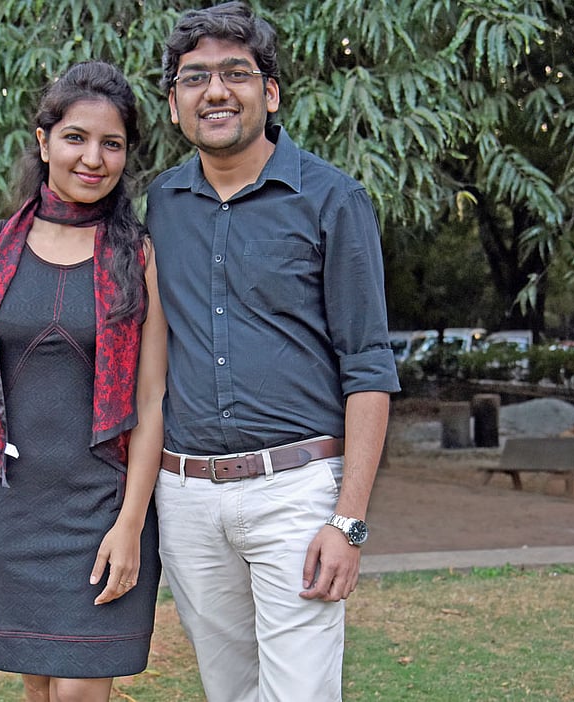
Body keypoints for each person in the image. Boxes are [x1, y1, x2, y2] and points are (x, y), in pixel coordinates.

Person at [145, 4, 400, 701]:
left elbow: (369, 367)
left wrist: (346, 521)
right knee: (229, 692)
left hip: (297, 491)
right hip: (188, 495)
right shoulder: (158, 205)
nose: (216, 91)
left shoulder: (333, 199)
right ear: (174, 104)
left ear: (272, 92)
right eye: (195, 78)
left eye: (236, 73)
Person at [0, 61, 166, 702]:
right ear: (44, 140)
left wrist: (131, 522)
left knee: (79, 690)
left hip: (102, 510)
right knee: (39, 688)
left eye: (112, 143)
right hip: (10, 504)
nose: (93, 158)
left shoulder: (139, 255)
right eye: (76, 137)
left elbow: (151, 397)